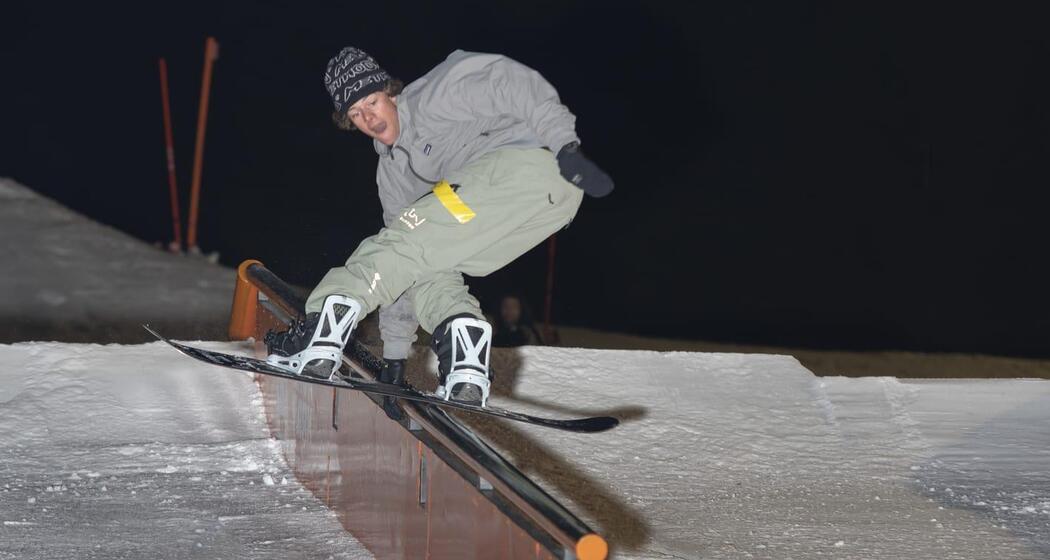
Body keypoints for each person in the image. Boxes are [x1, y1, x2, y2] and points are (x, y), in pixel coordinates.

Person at [264, 47, 613, 408]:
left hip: (530, 165)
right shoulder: (392, 176)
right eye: (356, 113)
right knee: (426, 264)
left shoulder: (430, 98)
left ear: (390, 92)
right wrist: (395, 358)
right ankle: (463, 346)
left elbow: (509, 82)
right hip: (541, 210)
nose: (369, 117)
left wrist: (564, 143)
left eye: (372, 102)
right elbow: (403, 268)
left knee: (401, 241)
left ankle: (319, 327)